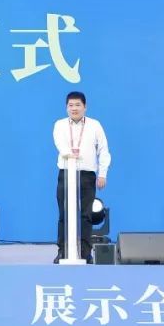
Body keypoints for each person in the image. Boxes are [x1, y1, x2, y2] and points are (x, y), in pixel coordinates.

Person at [52, 91, 110, 264]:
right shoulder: (60, 125)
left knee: (86, 215)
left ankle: (85, 252)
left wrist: (102, 173)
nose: (74, 108)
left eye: (78, 105)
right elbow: (60, 144)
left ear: (85, 107)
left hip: (87, 174)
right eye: (70, 105)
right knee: (64, 214)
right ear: (66, 108)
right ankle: (62, 251)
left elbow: (103, 150)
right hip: (66, 172)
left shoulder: (95, 125)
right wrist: (69, 154)